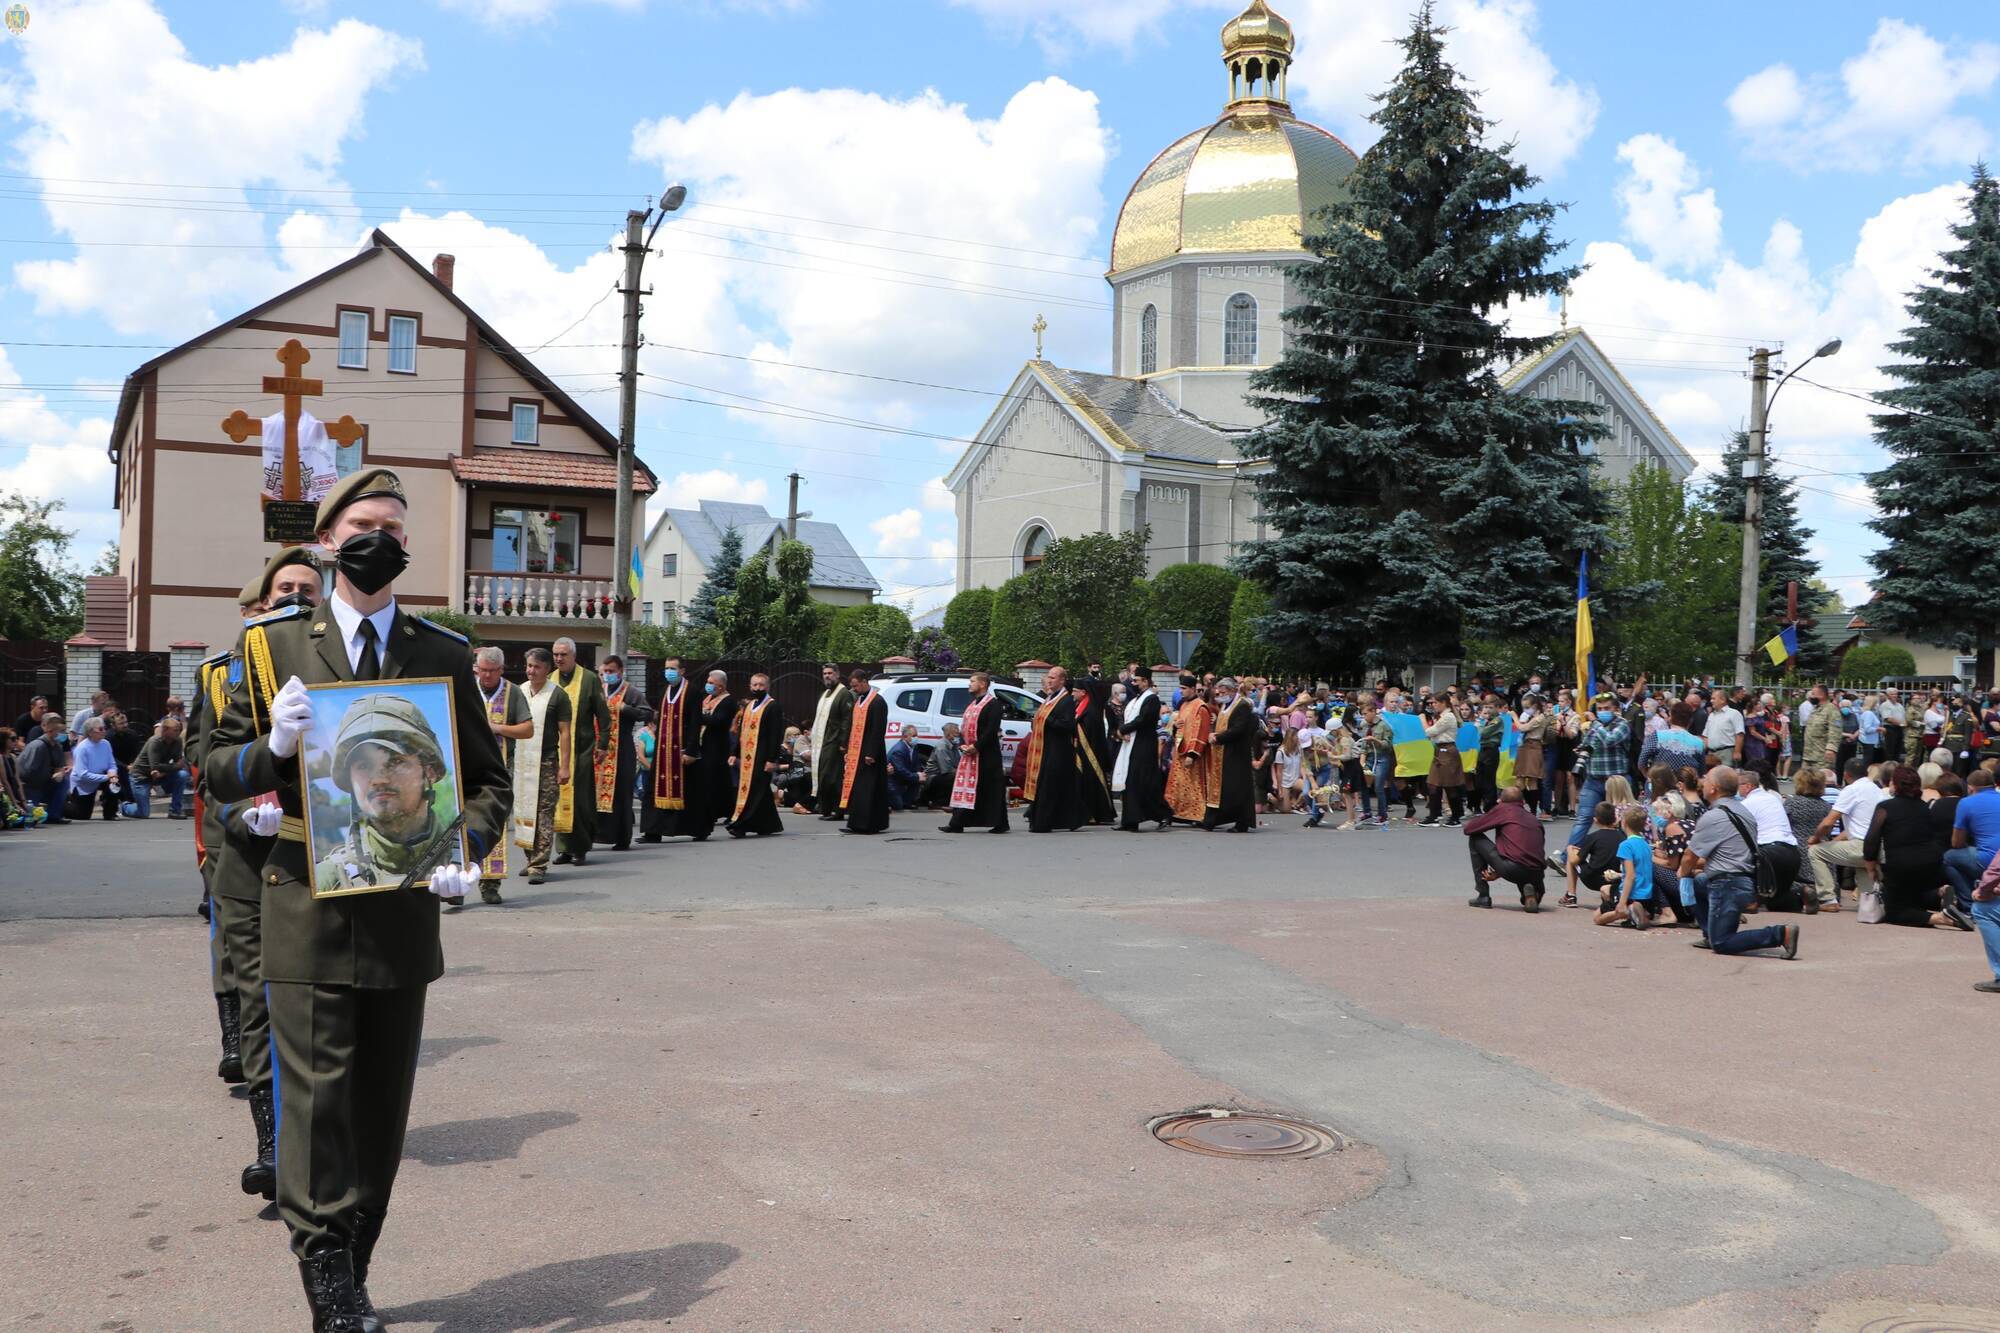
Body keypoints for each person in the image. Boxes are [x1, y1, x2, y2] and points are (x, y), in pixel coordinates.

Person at [201, 466, 510, 1328]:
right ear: (328, 541)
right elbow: (215, 768)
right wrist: (272, 746)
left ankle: (352, 1254)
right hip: (304, 905)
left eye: (399, 530)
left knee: (379, 1111)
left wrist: (467, 847)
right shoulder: (269, 648)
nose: (385, 539)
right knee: (315, 1104)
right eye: (368, 523)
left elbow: (485, 783)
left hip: (403, 915)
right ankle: (328, 1279)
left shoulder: (444, 656)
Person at [1682, 766, 1801, 959]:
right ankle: (1709, 934)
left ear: (1714, 788)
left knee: (1723, 943)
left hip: (1728, 883)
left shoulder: (1714, 816)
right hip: (1744, 879)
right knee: (1700, 883)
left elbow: (1690, 856)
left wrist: (1682, 874)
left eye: (1707, 779)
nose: (1702, 782)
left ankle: (1780, 934)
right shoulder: (1743, 810)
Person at [467, 646, 533, 906]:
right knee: (459, 826)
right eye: (483, 670)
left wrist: (497, 728)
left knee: (492, 825)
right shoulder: (467, 688)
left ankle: (490, 884)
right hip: (466, 768)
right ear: (476, 669)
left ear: (501, 670)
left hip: (498, 771)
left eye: (492, 671)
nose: (487, 676)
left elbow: (527, 729)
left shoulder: (512, 693)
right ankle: (458, 885)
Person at [510, 647, 572, 883]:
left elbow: (565, 732)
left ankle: (539, 864)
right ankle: (530, 859)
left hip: (546, 760)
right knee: (523, 810)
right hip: (521, 761)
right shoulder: (518, 692)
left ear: (548, 669)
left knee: (544, 813)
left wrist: (564, 766)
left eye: (536, 667)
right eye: (529, 666)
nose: (531, 671)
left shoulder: (558, 695)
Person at [1862, 764, 1949, 927]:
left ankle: (1940, 918)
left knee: (1895, 912)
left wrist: (1870, 866)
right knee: (1914, 899)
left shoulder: (1885, 807)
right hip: (1930, 863)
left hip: (1900, 865)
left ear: (1894, 784)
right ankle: (1938, 893)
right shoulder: (1925, 807)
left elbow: (1871, 839)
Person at [551, 636, 610, 867]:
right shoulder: (550, 680)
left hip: (582, 751)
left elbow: (603, 715)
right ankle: (564, 848)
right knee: (558, 800)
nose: (559, 658)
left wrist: (603, 744)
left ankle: (581, 848)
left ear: (573, 656)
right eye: (556, 654)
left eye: (563, 654)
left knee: (581, 801)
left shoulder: (589, 679)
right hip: (556, 751)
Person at [1807, 757, 1885, 913]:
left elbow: (1828, 822)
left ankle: (1828, 898)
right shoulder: (1878, 790)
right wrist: (1835, 843)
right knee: (1862, 866)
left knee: (1815, 851)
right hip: (1879, 846)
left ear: (1846, 775)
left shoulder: (1851, 790)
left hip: (1860, 846)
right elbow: (1856, 828)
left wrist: (1815, 839)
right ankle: (1871, 903)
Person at [588, 655, 650, 853]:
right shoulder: (599, 691)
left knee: (621, 794)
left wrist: (626, 709)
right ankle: (595, 834)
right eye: (604, 672)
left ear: (620, 671)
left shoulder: (630, 691)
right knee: (593, 793)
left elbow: (647, 713)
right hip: (599, 751)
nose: (607, 675)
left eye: (611, 671)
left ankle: (622, 838)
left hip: (622, 751)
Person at [1563, 694, 1630, 858]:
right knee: (1583, 819)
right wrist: (1581, 749)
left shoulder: (1622, 724)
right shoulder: (1594, 726)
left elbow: (1610, 740)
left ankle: (1623, 858)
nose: (1602, 711)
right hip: (1593, 779)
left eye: (1606, 708)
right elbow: (1589, 744)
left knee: (1621, 822)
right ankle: (1567, 859)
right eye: (1599, 709)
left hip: (1616, 781)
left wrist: (1596, 723)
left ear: (1615, 709)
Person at [942, 671, 1009, 833]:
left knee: (991, 789)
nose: (969, 684)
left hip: (986, 754)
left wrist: (976, 746)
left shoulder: (993, 704)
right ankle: (957, 823)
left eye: (972, 681)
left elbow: (990, 731)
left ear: (982, 684)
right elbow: (964, 728)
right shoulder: (972, 705)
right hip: (971, 755)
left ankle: (1000, 823)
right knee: (968, 788)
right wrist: (963, 744)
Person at [639, 657, 697, 842]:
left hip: (681, 750)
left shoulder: (692, 691)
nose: (668, 672)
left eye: (673, 668)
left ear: (682, 671)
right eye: (667, 668)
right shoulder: (665, 690)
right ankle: (652, 831)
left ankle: (696, 829)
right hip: (662, 751)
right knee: (652, 790)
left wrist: (691, 751)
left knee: (689, 790)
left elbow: (696, 723)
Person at [1463, 786, 1547, 910]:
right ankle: (1531, 893)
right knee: (1522, 863)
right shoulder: (1533, 819)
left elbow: (1469, 829)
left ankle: (1483, 895)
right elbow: (1525, 852)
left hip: (1513, 868)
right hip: (1537, 873)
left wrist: (1498, 872)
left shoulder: (1503, 809)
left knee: (1475, 839)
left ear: (1500, 800)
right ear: (1522, 802)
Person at [1022, 666, 1084, 833]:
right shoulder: (1049, 698)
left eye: (1053, 678)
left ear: (1062, 680)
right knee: (1052, 786)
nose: (1049, 680)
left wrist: (1047, 720)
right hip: (1044, 748)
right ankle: (1057, 819)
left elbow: (1067, 725)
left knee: (1051, 785)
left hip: (1058, 750)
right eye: (1048, 677)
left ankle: (1044, 822)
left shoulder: (1066, 700)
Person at [725, 671, 785, 838]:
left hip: (762, 756)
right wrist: (734, 752)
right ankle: (769, 824)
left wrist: (772, 759)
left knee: (755, 790)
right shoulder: (749, 706)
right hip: (746, 756)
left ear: (767, 686)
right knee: (761, 792)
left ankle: (740, 824)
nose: (758, 688)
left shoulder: (773, 706)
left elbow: (775, 735)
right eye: (755, 685)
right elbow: (741, 731)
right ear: (750, 686)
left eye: (761, 685)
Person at [1113, 665, 1171, 831]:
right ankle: (1130, 821)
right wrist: (1122, 731)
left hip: (1144, 746)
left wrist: (1123, 730)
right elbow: (1127, 717)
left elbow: (1143, 719)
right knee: (1131, 783)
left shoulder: (1151, 699)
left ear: (1145, 681)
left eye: (1137, 680)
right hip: (1132, 745)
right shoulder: (1136, 699)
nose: (1134, 683)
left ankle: (1164, 814)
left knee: (1143, 783)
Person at [1738, 762, 1803, 909]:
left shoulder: (1747, 804)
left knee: (1742, 858)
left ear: (1748, 786)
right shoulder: (1773, 798)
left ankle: (1752, 900)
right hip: (1792, 852)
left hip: (1768, 853)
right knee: (1777, 900)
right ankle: (1801, 894)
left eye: (1739, 785)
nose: (1737, 789)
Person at [1202, 676, 1260, 833]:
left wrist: (1218, 737)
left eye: (1224, 691)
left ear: (1234, 690)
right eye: (1219, 691)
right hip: (1223, 753)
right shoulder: (1225, 705)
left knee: (1237, 788)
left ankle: (1241, 822)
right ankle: (1212, 820)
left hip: (1236, 753)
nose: (1220, 693)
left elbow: (1238, 729)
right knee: (1223, 788)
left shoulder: (1241, 705)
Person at [1943, 768, 2000, 925]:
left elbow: (1957, 842)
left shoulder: (1966, 803)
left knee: (1949, 857)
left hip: (1989, 859)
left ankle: (1970, 906)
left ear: (1970, 788)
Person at [1594, 806, 1664, 929]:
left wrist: (1622, 902)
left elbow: (1630, 876)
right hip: (1646, 894)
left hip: (1632, 893)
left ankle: (1626, 912)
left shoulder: (1625, 845)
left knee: (1597, 918)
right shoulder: (1646, 845)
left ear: (1624, 823)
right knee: (1605, 889)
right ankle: (1641, 914)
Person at [841, 669, 891, 834]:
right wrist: (848, 748)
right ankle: (856, 823)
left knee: (869, 789)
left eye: (856, 685)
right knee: (858, 789)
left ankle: (869, 824)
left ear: (864, 681)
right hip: (857, 752)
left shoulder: (877, 702)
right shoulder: (858, 701)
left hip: (870, 754)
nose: (854, 689)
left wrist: (871, 753)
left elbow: (878, 730)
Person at [1164, 672, 1213, 826]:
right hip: (1179, 751)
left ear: (1192, 689)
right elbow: (1179, 726)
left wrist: (1193, 754)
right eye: (1180, 688)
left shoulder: (1201, 707)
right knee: (1177, 785)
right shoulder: (1183, 705)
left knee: (1194, 786)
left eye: (1184, 688)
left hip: (1192, 755)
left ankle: (1197, 814)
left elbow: (1202, 731)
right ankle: (1177, 812)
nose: (1181, 691)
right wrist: (1174, 727)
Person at [809, 663, 853, 820]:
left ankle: (838, 810)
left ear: (837, 674)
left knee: (832, 777)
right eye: (825, 673)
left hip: (834, 743)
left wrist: (843, 743)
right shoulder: (825, 693)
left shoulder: (843, 694)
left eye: (830, 673)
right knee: (823, 776)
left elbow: (847, 721)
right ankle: (825, 808)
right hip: (822, 742)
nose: (827, 676)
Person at [1565, 803, 1625, 909]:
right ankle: (1610, 893)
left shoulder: (1593, 837)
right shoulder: (1622, 837)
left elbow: (1575, 861)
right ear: (1615, 819)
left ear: (1595, 820)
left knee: (1571, 859)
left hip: (1593, 879)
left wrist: (1570, 849)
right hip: (1615, 879)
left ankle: (1571, 896)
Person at [130, 716, 189, 819]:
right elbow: (155, 765)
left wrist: (166, 771)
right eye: (175, 730)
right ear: (165, 730)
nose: (178, 732)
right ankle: (124, 806)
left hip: (160, 775)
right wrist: (175, 766)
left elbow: (179, 763)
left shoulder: (177, 741)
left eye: (179, 730)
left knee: (182, 775)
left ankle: (175, 810)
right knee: (143, 813)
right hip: (141, 777)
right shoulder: (155, 742)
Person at [1419, 698, 1465, 827]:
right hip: (1439, 750)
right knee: (1433, 784)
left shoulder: (1448, 717)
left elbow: (1430, 732)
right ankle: (1434, 814)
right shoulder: (1439, 716)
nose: (1433, 705)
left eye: (1435, 703)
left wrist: (1422, 719)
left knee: (1450, 785)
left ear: (1443, 703)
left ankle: (1456, 816)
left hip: (1448, 751)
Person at [17, 714, 71, 825]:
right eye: (60, 731)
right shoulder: (38, 746)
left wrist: (60, 773)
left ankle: (54, 815)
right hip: (30, 786)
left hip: (44, 783)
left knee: (64, 781)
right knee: (32, 818)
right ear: (50, 731)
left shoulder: (58, 746)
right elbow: (27, 773)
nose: (63, 735)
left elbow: (59, 766)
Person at [67, 716, 120, 820]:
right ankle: (59, 805)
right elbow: (82, 774)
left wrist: (113, 774)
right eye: (100, 729)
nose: (104, 731)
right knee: (82, 815)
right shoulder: (82, 748)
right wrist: (106, 777)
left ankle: (110, 813)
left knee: (114, 784)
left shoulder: (106, 744)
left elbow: (111, 764)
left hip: (101, 778)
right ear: (90, 732)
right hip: (83, 785)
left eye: (104, 728)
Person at [921, 722, 961, 807]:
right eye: (956, 734)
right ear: (948, 734)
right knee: (953, 776)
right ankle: (938, 802)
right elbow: (946, 769)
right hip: (933, 777)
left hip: (942, 774)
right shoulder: (942, 746)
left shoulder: (954, 746)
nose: (958, 736)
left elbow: (958, 763)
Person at [885, 722, 922, 812]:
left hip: (904, 780)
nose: (916, 738)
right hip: (893, 783)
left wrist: (920, 773)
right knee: (898, 806)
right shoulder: (898, 750)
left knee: (918, 779)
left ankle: (907, 802)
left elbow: (916, 764)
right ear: (905, 737)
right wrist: (917, 776)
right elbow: (900, 770)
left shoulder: (914, 747)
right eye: (914, 736)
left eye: (917, 735)